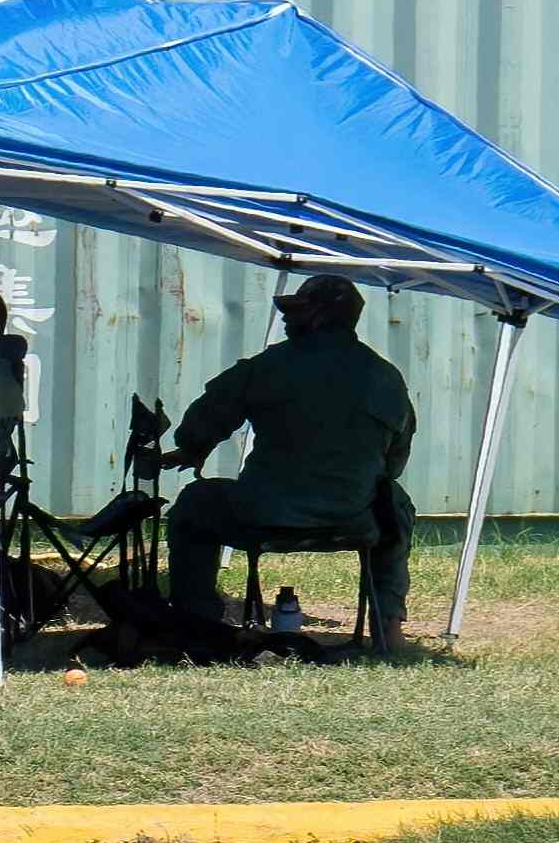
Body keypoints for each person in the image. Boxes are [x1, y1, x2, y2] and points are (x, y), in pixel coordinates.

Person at [164, 273, 420, 645]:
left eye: (296, 310)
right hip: (353, 519)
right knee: (394, 502)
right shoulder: (386, 377)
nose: (286, 318)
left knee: (194, 504)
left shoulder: (268, 366)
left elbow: (208, 415)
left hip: (264, 516)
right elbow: (395, 462)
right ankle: (389, 628)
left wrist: (192, 449)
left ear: (319, 315)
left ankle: (196, 624)